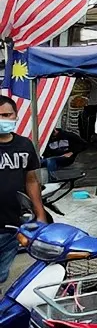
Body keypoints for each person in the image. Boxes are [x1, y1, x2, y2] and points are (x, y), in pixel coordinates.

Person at [0, 96, 47, 281]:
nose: (2, 119)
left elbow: (31, 181)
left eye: (6, 115)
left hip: (13, 225)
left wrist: (40, 213)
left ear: (15, 116)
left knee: (3, 275)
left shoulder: (24, 145)